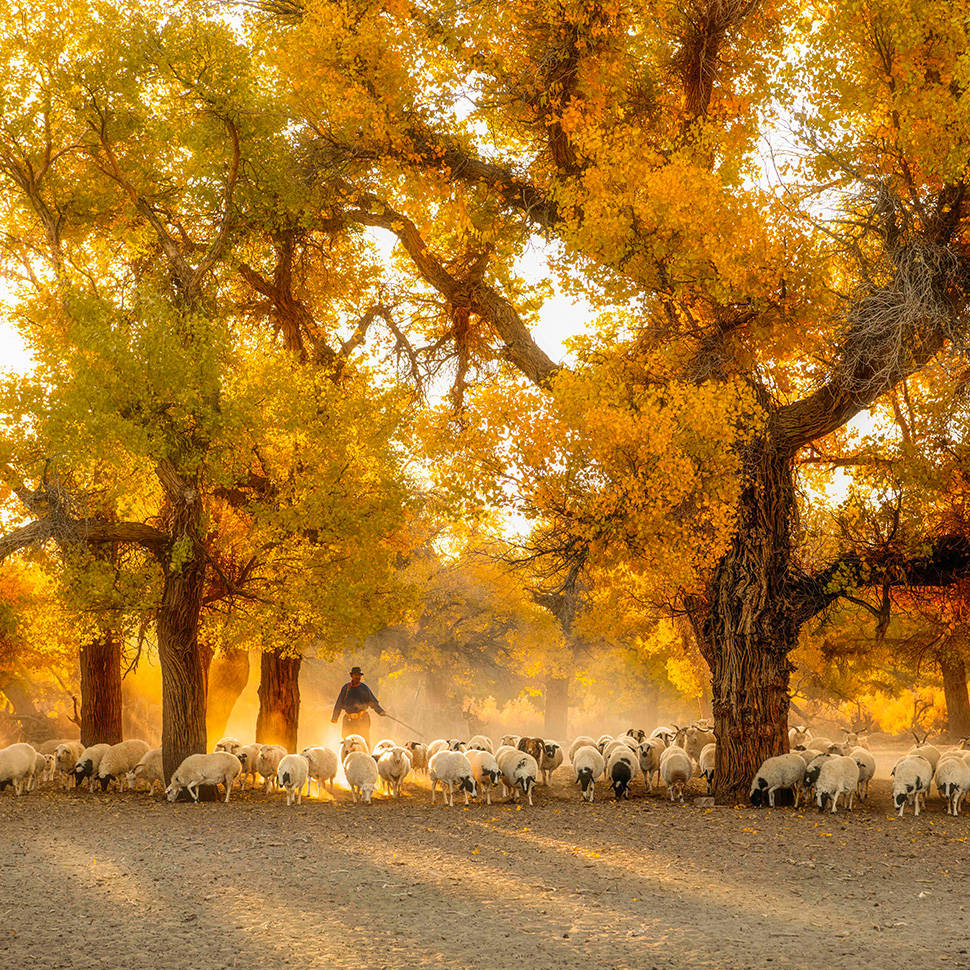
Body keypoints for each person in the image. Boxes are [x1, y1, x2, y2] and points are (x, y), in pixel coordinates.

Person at [331, 666, 386, 748]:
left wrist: (380, 711)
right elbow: (339, 703)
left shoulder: (364, 688)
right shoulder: (346, 688)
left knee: (364, 742)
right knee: (347, 741)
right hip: (348, 720)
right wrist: (335, 717)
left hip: (362, 719)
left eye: (359, 675)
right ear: (351, 676)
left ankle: (366, 757)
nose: (357, 677)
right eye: (355, 675)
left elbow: (372, 701)